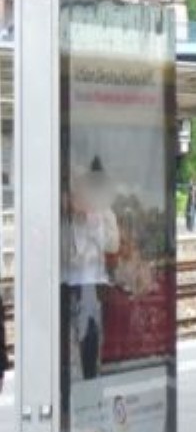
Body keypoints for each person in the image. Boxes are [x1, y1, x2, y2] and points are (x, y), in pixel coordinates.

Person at [63, 160, 120, 381]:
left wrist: (94, 221)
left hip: (94, 287)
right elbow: (65, 257)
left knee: (92, 341)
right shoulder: (66, 220)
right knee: (71, 342)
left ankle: (91, 377)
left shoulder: (104, 213)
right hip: (70, 286)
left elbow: (113, 245)